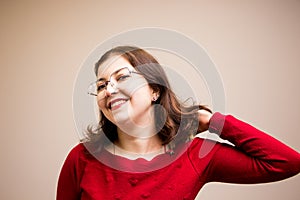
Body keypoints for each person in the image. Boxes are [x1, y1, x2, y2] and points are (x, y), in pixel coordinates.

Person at [57, 46, 300, 200]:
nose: (109, 90)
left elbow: (287, 163)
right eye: (101, 85)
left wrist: (214, 121)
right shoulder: (81, 159)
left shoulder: (194, 155)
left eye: (122, 77)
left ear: (154, 89)